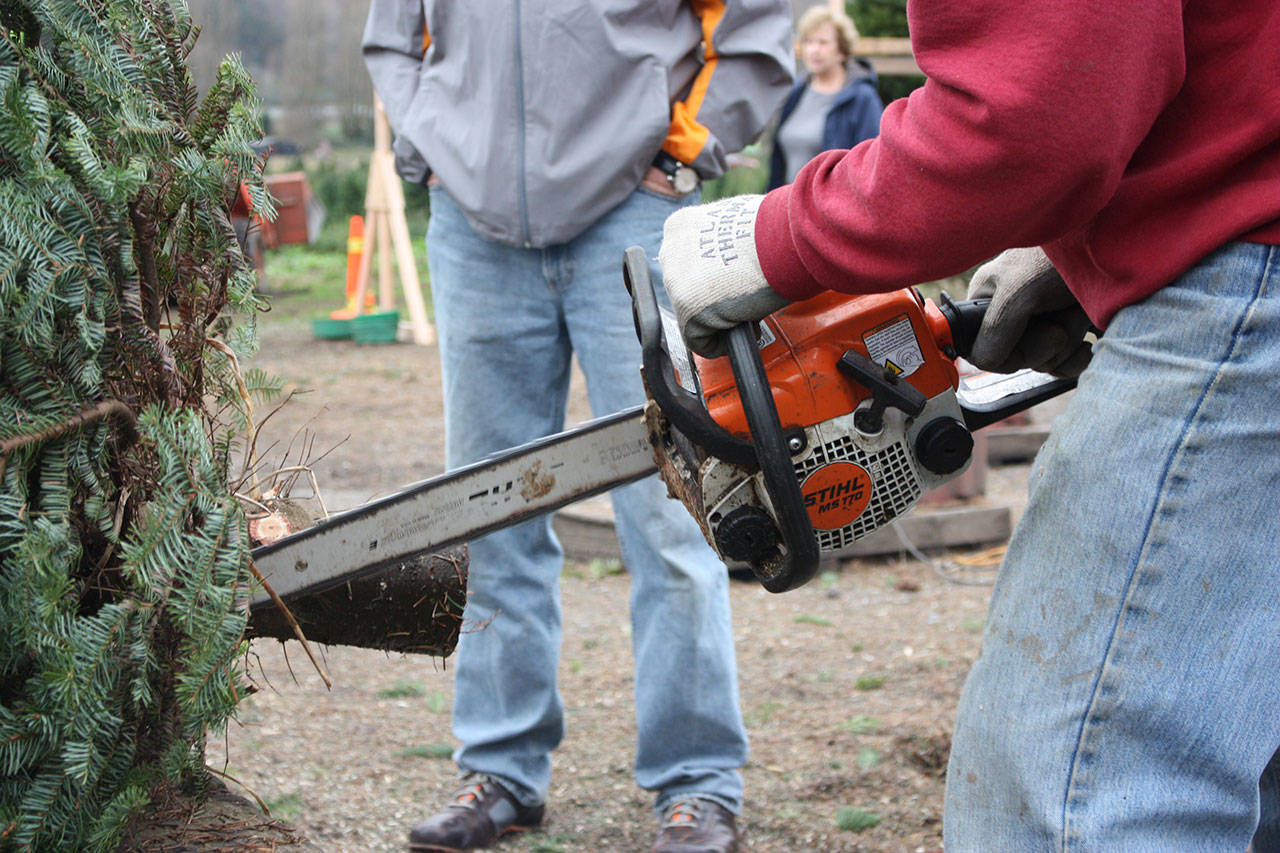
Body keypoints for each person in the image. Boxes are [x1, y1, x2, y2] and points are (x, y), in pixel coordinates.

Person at [657, 3, 1280, 849]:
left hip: (1248, 275)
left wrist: (777, 236)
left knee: (1075, 788)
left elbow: (1027, 117)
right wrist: (1092, 240)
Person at [362, 3, 794, 851]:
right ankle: (500, 769)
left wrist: (686, 145)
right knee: (492, 519)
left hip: (634, 218)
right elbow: (392, 37)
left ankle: (696, 780)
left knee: (673, 519)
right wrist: (433, 145)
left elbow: (750, 24)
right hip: (473, 230)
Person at [767, 6, 883, 190]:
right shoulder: (795, 92)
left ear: (841, 51)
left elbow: (873, 166)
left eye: (823, 43)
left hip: (832, 211)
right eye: (809, 42)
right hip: (787, 206)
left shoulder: (862, 98)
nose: (814, 50)